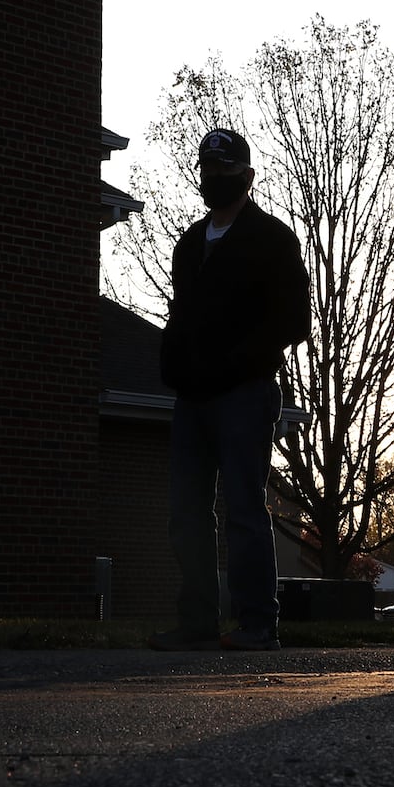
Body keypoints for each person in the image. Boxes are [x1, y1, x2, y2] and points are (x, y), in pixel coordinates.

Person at [148, 129, 311, 652]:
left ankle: (257, 622)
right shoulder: (190, 243)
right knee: (186, 512)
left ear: (247, 175)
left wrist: (239, 361)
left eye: (224, 169)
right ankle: (196, 621)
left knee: (244, 507)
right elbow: (180, 315)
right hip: (192, 397)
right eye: (207, 168)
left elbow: (294, 319)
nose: (213, 177)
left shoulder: (272, 238)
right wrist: (172, 362)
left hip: (244, 392)